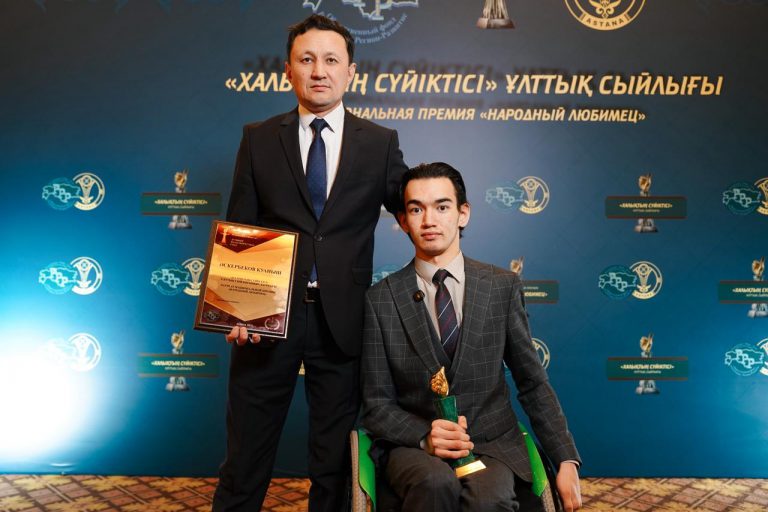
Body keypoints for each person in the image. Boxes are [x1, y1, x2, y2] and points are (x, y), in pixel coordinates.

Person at [212, 14, 408, 512]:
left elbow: (412, 211)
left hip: (343, 322)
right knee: (245, 457)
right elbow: (241, 225)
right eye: (306, 59)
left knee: (334, 464)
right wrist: (235, 310)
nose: (319, 70)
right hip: (266, 319)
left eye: (331, 60)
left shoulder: (380, 143)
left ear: (350, 72)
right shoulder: (258, 138)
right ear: (288, 70)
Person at [360, 162, 582, 512]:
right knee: (435, 484)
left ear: (463, 213)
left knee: (488, 500)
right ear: (402, 220)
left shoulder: (502, 287)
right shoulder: (380, 299)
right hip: (414, 447)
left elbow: (532, 382)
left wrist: (565, 459)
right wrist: (424, 436)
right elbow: (376, 404)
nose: (429, 220)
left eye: (442, 207)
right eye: (416, 209)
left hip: (491, 443)